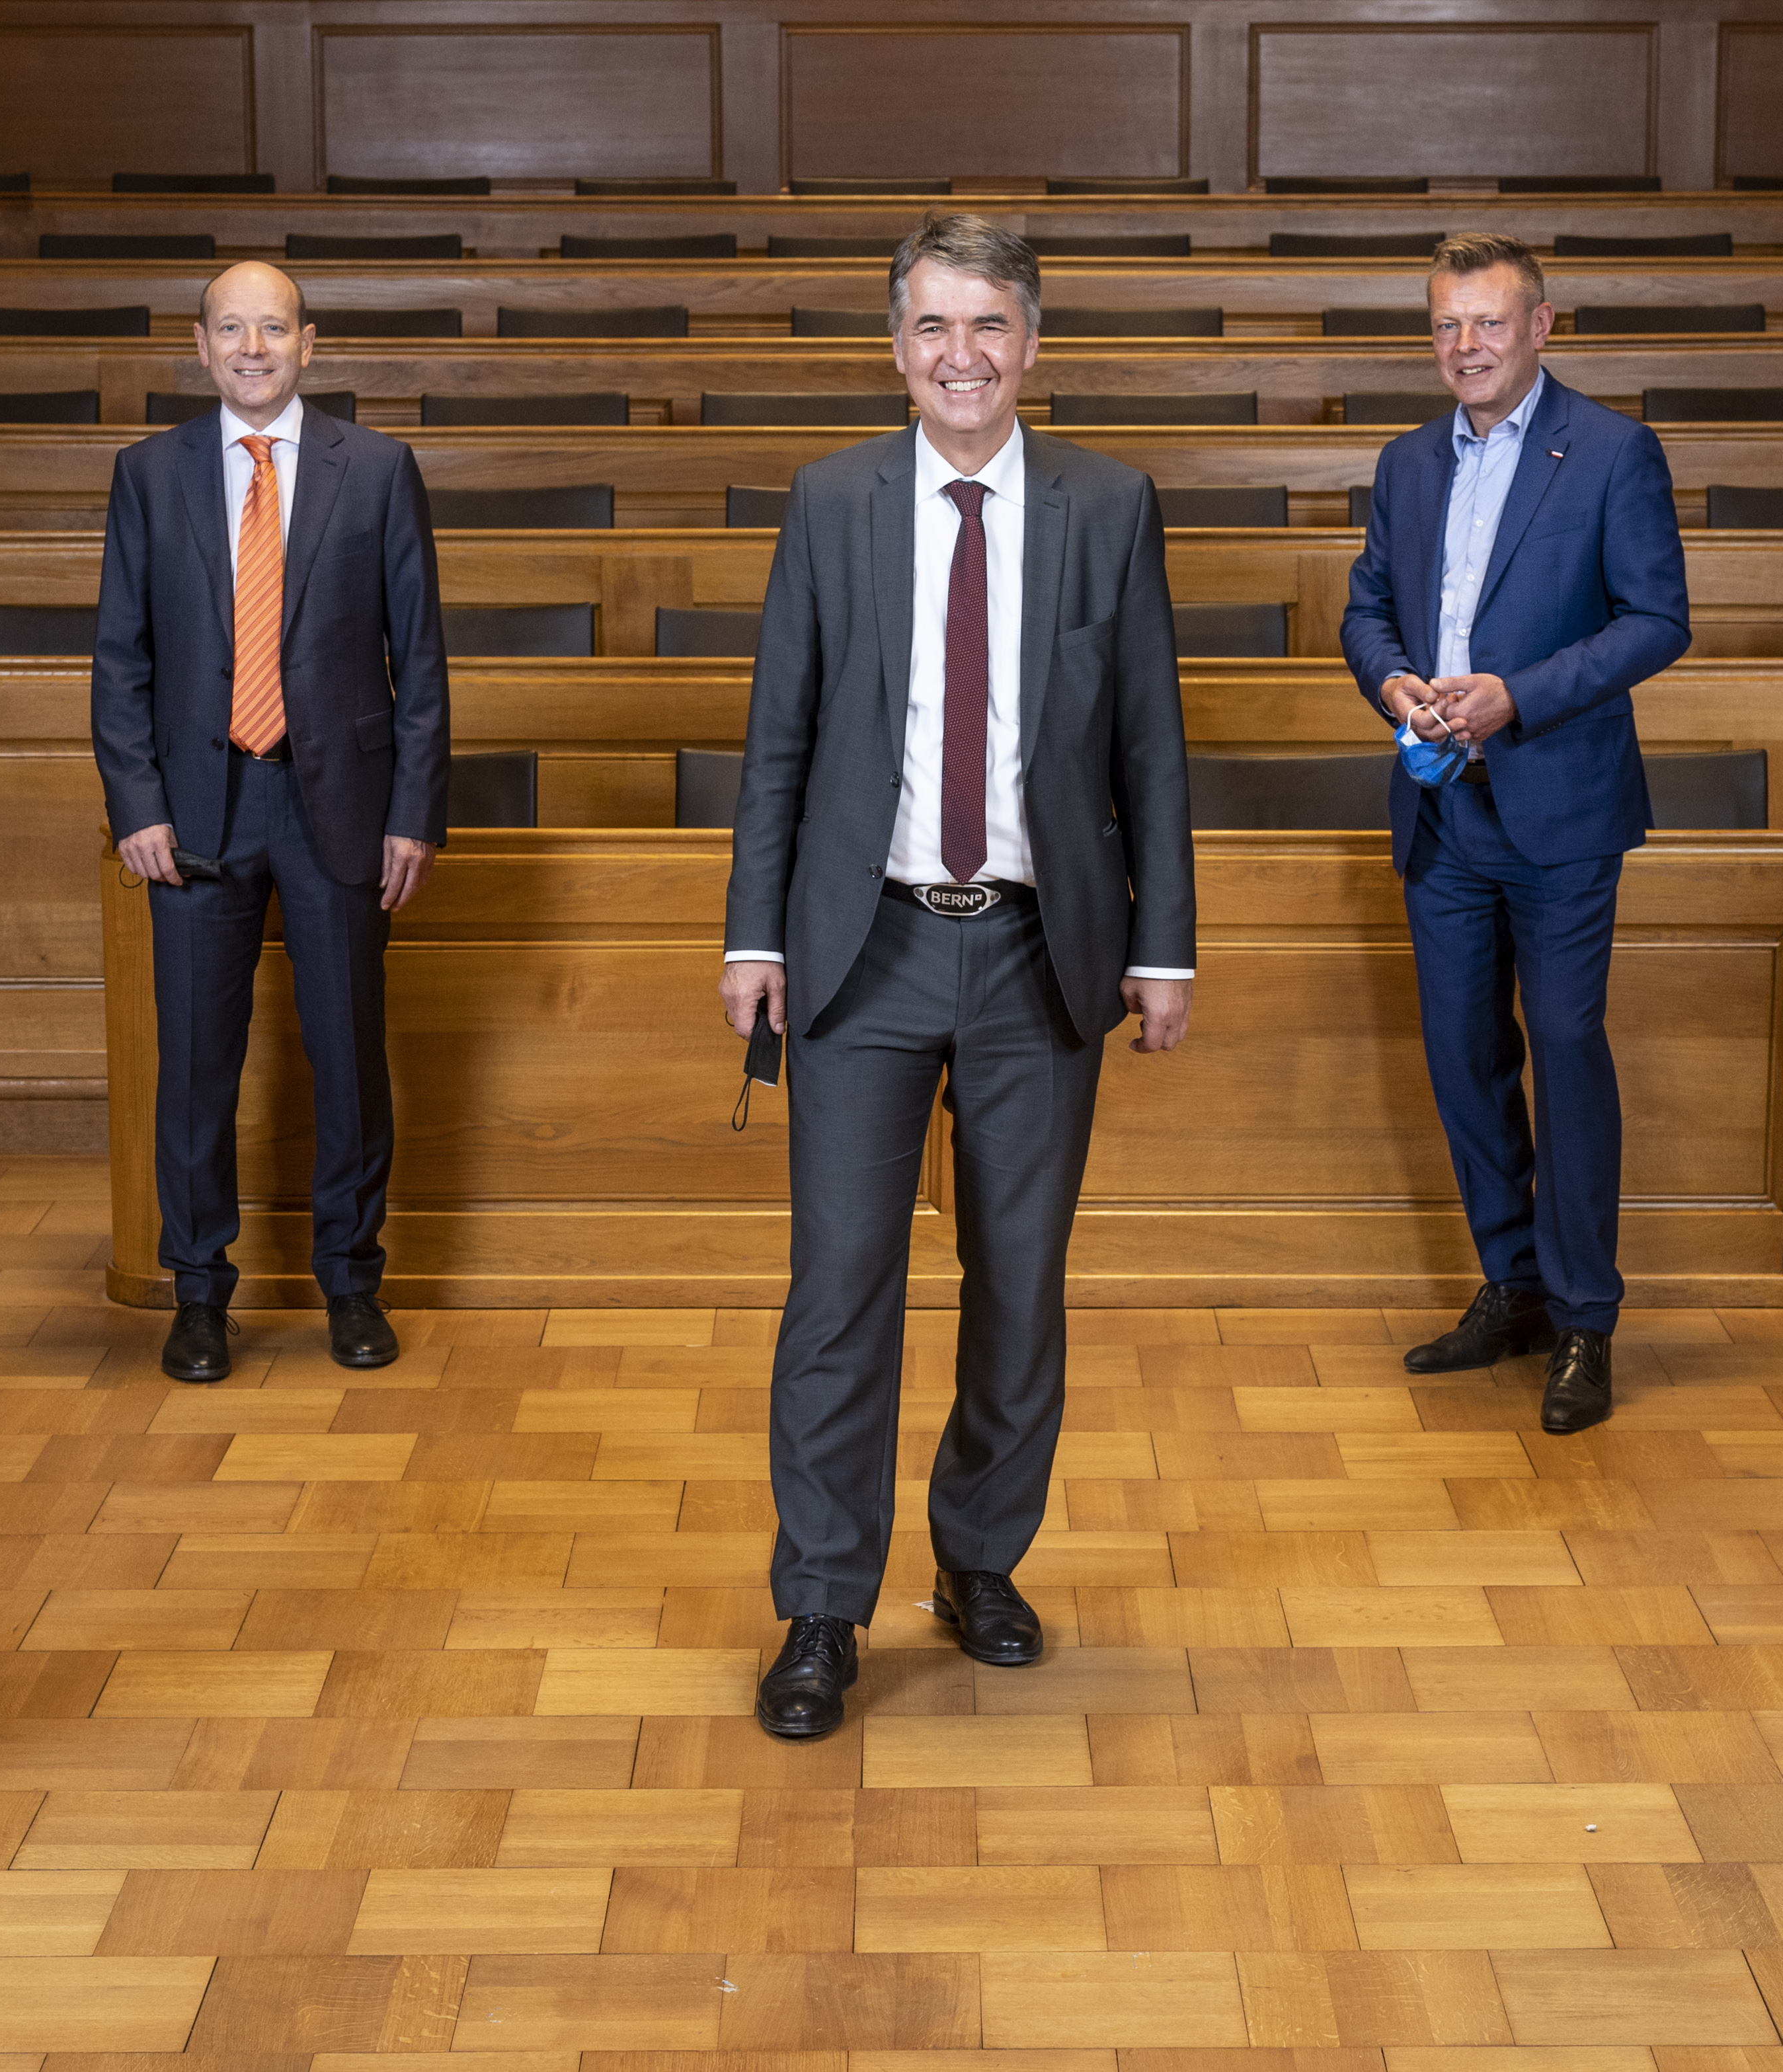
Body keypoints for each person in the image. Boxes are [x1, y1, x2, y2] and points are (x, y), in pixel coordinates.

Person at [719, 215, 1195, 1739]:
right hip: (864, 946)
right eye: (933, 325)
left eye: (989, 324)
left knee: (1019, 1283)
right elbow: (779, 735)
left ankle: (980, 1558)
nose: (962, 354)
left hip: (1042, 951)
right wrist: (753, 932)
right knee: (840, 1288)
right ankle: (822, 1602)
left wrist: (1163, 943)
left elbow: (1150, 743)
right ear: (896, 349)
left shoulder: (1109, 505)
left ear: (1032, 345)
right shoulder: (831, 500)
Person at [1339, 230, 1691, 1436]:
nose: (1466, 346)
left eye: (1488, 322)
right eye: (1446, 325)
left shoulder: (1612, 451)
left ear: (1542, 326)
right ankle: (1515, 1285)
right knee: (1463, 1056)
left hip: (1561, 809)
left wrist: (1518, 697)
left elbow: (1658, 620)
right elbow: (1367, 608)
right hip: (1441, 805)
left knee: (1568, 1049)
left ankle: (1587, 1315)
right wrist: (1392, 682)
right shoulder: (1405, 462)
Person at [93, 261, 452, 1381]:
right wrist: (136, 803)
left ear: (309, 342)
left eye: (274, 328)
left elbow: (421, 660)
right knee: (196, 1065)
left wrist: (413, 812)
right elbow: (120, 658)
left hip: (338, 804)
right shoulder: (148, 474)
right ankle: (199, 1293)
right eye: (231, 329)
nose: (253, 348)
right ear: (200, 346)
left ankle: (351, 1281)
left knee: (347, 1057)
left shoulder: (378, 470)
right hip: (198, 811)